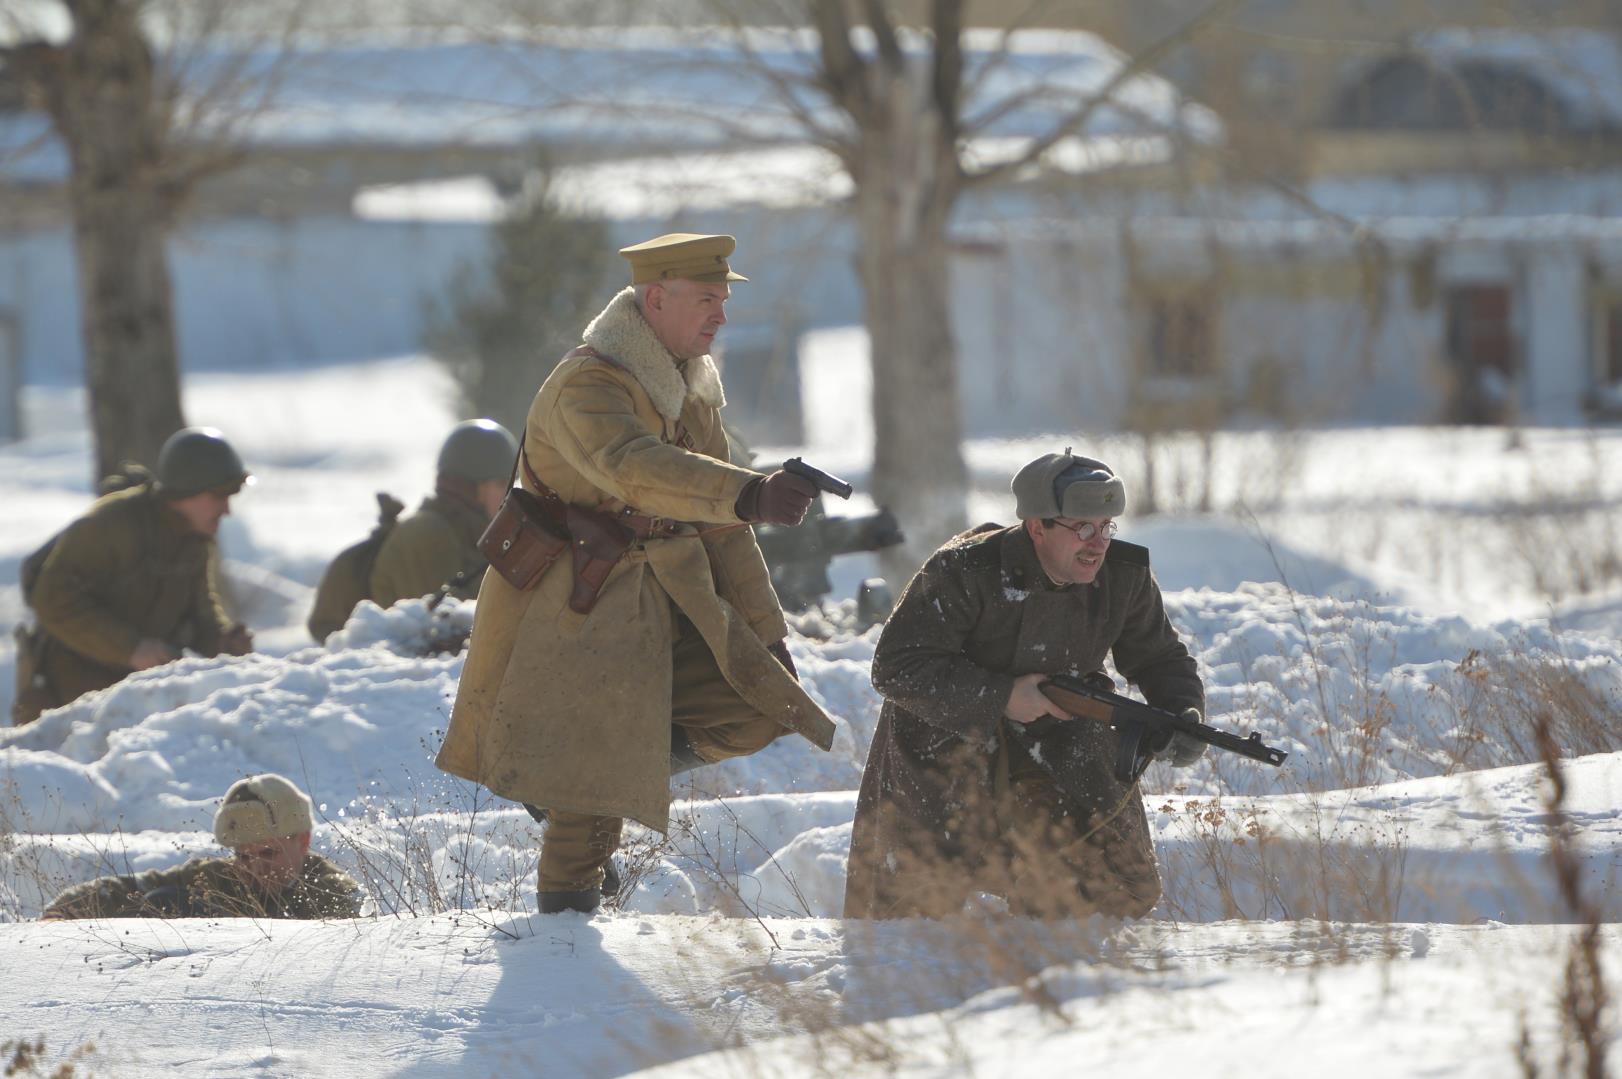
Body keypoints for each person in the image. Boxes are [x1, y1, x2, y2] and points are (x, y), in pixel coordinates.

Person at [436, 232, 835, 914]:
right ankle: (565, 931)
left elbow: (723, 531)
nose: (721, 315)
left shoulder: (691, 389)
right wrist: (750, 490)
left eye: (724, 299)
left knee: (756, 704)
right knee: (597, 775)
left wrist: (767, 638)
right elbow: (633, 466)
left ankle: (571, 780)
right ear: (655, 300)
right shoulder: (585, 384)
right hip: (573, 605)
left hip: (658, 596)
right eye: (706, 299)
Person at [844, 451, 1208, 921]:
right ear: (1037, 527)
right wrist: (1003, 697)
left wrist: (1182, 712)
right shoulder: (963, 570)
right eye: (1082, 528)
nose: (1098, 544)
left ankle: (1051, 981)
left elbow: (1159, 658)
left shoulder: (1124, 576)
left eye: (1106, 527)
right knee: (908, 920)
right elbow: (895, 666)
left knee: (1110, 892)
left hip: (1064, 745)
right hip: (947, 747)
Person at [12, 427, 254, 725]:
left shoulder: (194, 539)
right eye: (219, 496)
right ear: (187, 491)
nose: (227, 510)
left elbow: (201, 610)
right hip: (64, 701)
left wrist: (223, 641)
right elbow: (51, 598)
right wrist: (131, 648)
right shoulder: (112, 524)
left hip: (131, 701)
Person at [41, 773, 362, 919]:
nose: (254, 868)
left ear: (303, 841)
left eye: (268, 853)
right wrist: (67, 910)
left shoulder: (332, 892)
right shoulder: (218, 879)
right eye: (242, 856)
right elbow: (133, 888)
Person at [370, 419, 517, 609]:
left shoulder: (471, 538)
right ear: (471, 489)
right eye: (501, 484)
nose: (510, 494)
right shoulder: (427, 533)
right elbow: (438, 622)